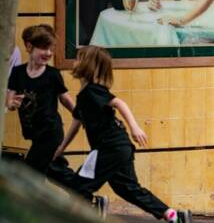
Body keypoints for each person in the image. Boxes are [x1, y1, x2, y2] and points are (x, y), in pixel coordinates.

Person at [54, 46, 185, 222]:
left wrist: (135, 127)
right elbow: (76, 125)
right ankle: (171, 214)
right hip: (117, 148)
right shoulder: (83, 96)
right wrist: (61, 147)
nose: (75, 62)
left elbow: (118, 103)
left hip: (111, 147)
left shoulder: (93, 90)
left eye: (78, 58)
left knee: (80, 186)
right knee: (127, 188)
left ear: (88, 65)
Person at [5, 25, 78, 187]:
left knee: (30, 174)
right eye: (44, 48)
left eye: (51, 49)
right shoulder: (17, 73)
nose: (49, 53)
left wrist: (80, 114)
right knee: (54, 170)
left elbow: (65, 99)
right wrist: (11, 104)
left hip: (51, 132)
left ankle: (32, 208)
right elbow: (9, 99)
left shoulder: (52, 75)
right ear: (29, 46)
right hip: (34, 133)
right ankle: (86, 194)